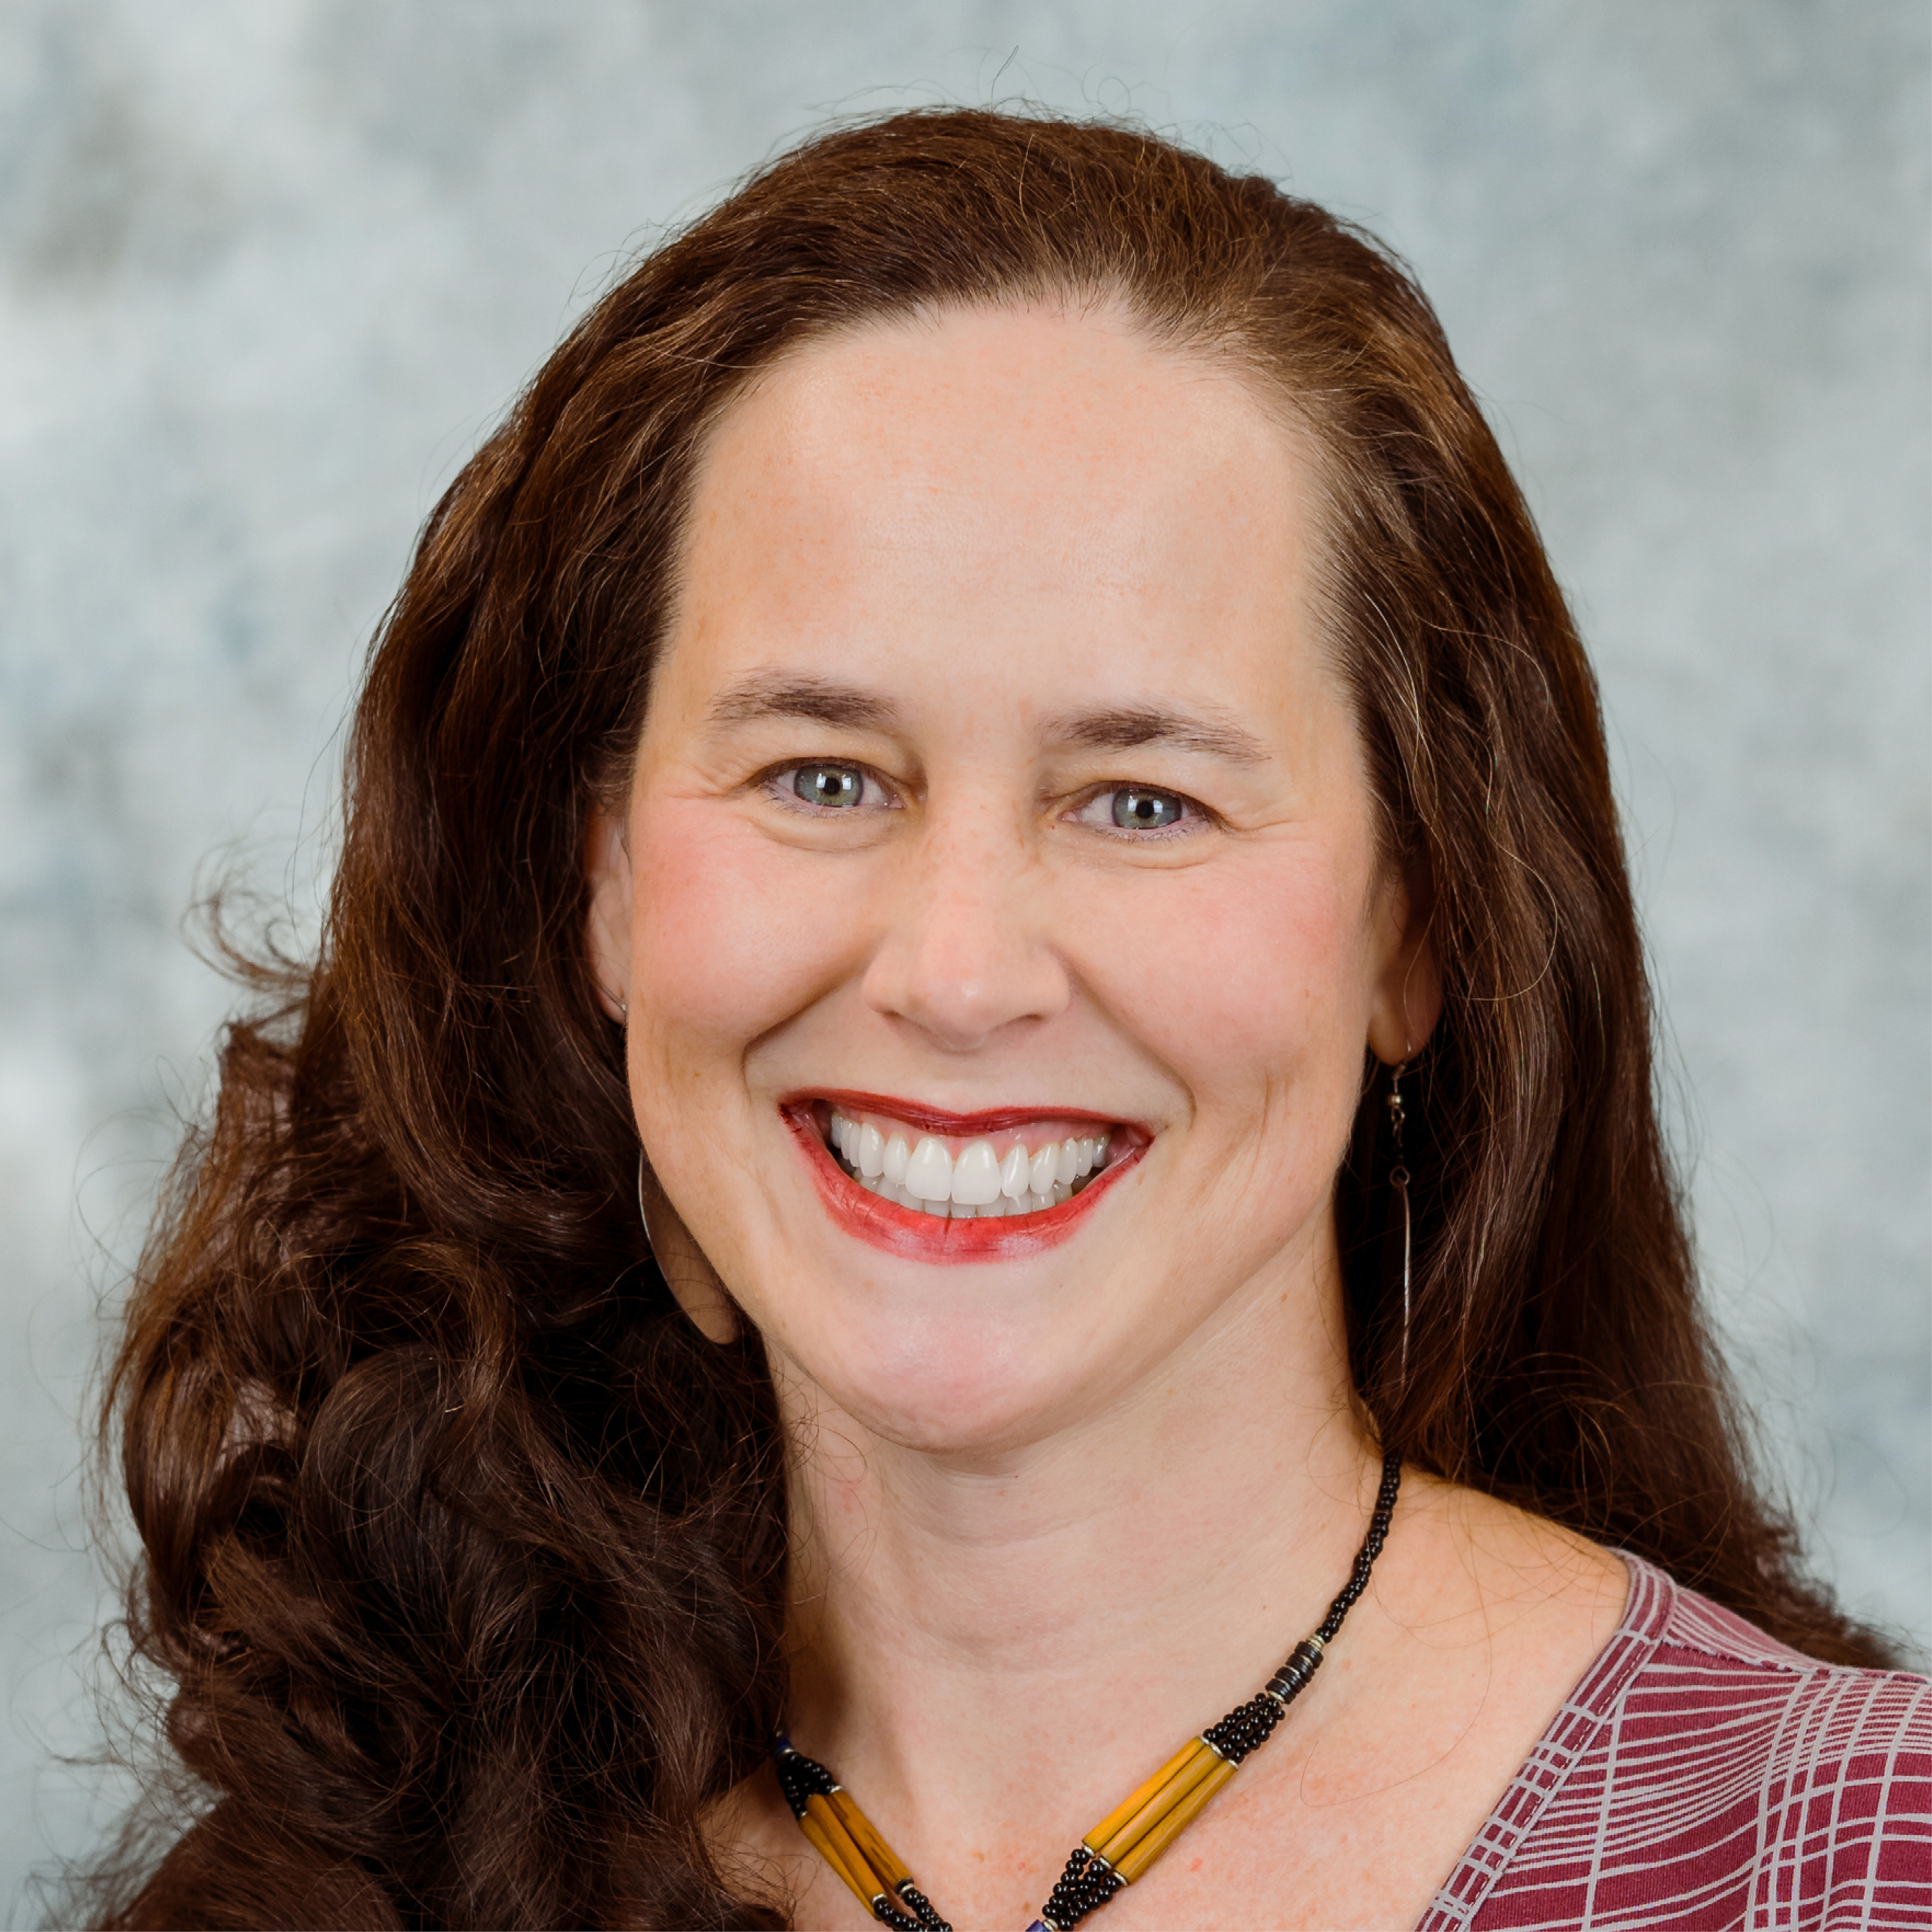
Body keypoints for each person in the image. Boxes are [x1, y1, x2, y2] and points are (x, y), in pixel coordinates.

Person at [96, 110, 1927, 1931]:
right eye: (821, 775)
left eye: (1141, 801)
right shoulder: (342, 1871)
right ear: (607, 889)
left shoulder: (1856, 1870)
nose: (959, 975)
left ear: (1412, 930)